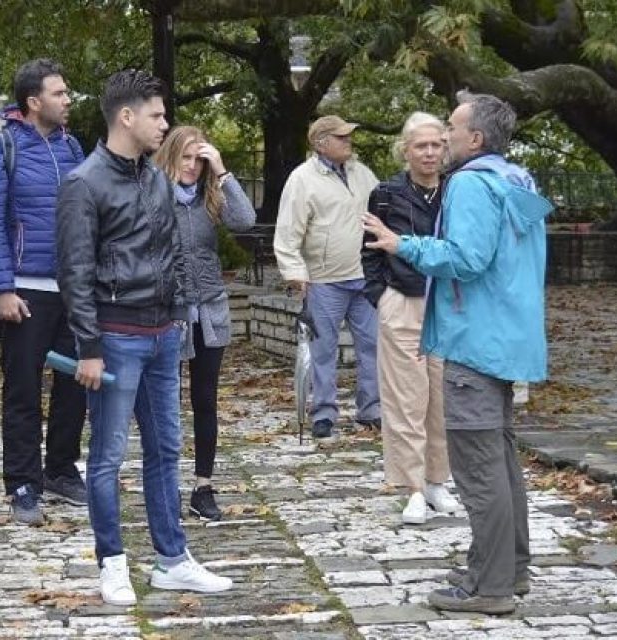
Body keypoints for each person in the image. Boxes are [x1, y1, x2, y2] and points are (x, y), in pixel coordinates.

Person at [363, 92, 553, 614]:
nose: (444, 136)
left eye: (451, 127)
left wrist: (403, 244)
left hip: (474, 340)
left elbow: (466, 259)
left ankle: (490, 587)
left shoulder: (469, 183)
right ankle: (508, 568)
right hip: (508, 337)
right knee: (502, 462)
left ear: (476, 138)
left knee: (479, 470)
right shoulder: (517, 179)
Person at [56, 70, 233, 606]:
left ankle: (172, 560)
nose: (165, 124)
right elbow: (75, 273)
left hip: (162, 335)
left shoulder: (156, 178)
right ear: (127, 116)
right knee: (107, 456)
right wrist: (89, 347)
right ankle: (111, 563)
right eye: (157, 115)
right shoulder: (84, 183)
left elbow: (172, 252)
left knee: (166, 450)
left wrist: (177, 316)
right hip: (115, 338)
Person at [0, 59, 87, 525]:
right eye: (59, 93)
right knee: (23, 390)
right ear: (34, 102)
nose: (68, 100)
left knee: (76, 384)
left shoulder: (72, 147)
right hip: (24, 290)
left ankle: (60, 470)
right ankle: (23, 483)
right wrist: (1, 288)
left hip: (71, 290)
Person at [361, 112, 459, 525]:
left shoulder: (457, 190)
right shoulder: (386, 194)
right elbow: (369, 250)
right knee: (407, 399)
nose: (430, 152)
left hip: (447, 306)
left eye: (437, 144)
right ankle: (413, 488)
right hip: (403, 301)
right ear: (406, 150)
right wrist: (382, 297)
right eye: (421, 145)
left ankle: (437, 481)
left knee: (442, 398)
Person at [152, 126, 255, 521]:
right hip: (167, 310)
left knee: (205, 399)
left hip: (209, 309)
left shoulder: (211, 197)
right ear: (171, 156)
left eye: (200, 158)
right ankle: (164, 485)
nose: (192, 166)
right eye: (186, 157)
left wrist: (223, 171)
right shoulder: (154, 195)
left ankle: (203, 485)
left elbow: (244, 221)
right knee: (164, 402)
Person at [274, 115, 381, 440]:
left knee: (374, 346)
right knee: (322, 351)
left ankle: (372, 410)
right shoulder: (301, 179)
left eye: (348, 136)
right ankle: (323, 413)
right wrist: (295, 273)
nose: (348, 141)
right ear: (321, 143)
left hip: (364, 275)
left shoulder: (362, 173)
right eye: (341, 137)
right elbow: (288, 231)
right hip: (323, 280)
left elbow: (381, 212)